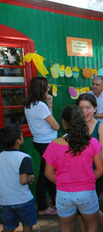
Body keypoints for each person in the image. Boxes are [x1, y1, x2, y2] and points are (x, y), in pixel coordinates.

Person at [43, 105, 103, 232]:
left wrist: (62, 182)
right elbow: (100, 169)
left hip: (63, 194)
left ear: (64, 123)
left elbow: (48, 173)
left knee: (66, 229)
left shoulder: (54, 145)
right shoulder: (92, 142)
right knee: (92, 225)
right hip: (87, 192)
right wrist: (87, 180)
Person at [75, 94, 103, 232]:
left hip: (94, 174)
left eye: (88, 108)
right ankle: (92, 231)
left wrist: (97, 172)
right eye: (81, 108)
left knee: (87, 208)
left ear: (95, 109)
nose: (85, 111)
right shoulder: (75, 127)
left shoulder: (101, 126)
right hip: (77, 176)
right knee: (81, 210)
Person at [24, 76, 59, 216]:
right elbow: (55, 125)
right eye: (47, 86)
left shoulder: (29, 104)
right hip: (47, 143)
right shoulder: (40, 106)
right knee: (45, 174)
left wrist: (49, 103)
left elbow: (45, 120)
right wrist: (48, 105)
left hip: (39, 141)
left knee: (48, 171)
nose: (49, 88)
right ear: (41, 88)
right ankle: (43, 207)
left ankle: (53, 200)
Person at [0, 124, 37, 232]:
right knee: (27, 226)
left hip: (4, 201)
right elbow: (23, 180)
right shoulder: (24, 157)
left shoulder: (0, 156)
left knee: (9, 227)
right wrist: (31, 178)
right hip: (22, 199)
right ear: (18, 141)